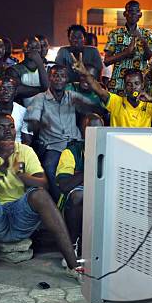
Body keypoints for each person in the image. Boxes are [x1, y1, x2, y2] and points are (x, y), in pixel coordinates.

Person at [0, 113, 81, 288]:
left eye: (11, 127)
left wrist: (21, 175)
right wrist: (4, 167)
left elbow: (43, 183)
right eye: (1, 127)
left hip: (21, 219)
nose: (7, 131)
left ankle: (74, 266)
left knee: (40, 195)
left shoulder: (25, 151)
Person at [25, 64, 97, 201]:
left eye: (62, 76)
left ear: (67, 80)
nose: (58, 79)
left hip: (76, 144)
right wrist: (40, 123)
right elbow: (31, 125)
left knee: (91, 167)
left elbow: (96, 109)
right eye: (55, 75)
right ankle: (60, 203)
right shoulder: (40, 98)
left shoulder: (72, 96)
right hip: (54, 146)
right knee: (49, 167)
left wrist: (84, 105)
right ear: (49, 77)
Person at [56, 113, 104, 266]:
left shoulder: (111, 149)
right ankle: (72, 246)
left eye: (99, 129)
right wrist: (89, 168)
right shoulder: (71, 152)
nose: (95, 133)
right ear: (82, 131)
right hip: (73, 202)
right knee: (79, 195)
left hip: (101, 196)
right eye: (90, 129)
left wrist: (78, 175)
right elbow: (64, 185)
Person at [72, 54, 152, 127]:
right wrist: (85, 73)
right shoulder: (116, 102)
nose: (133, 87)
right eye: (129, 84)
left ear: (142, 85)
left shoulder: (150, 106)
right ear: (124, 87)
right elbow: (98, 89)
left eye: (137, 83)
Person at [104, 0, 152, 95]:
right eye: (130, 11)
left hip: (140, 86)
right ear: (125, 14)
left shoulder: (148, 34)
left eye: (136, 11)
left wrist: (144, 43)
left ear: (140, 14)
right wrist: (126, 53)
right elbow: (106, 61)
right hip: (118, 85)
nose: (133, 14)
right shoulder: (115, 34)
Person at [0, 76, 32, 145]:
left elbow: (27, 141)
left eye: (10, 88)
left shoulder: (24, 112)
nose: (6, 91)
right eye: (2, 88)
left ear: (15, 91)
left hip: (18, 150)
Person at [9, 36, 49, 107]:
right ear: (23, 49)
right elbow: (18, 90)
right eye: (30, 47)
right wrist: (42, 90)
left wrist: (39, 63)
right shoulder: (14, 70)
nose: (34, 50)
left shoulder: (47, 68)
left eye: (37, 47)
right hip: (23, 112)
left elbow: (47, 86)